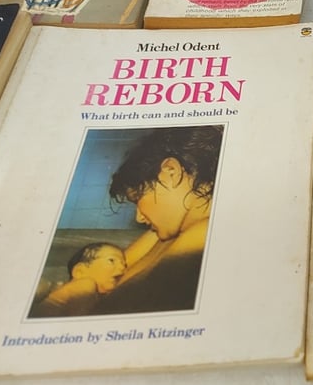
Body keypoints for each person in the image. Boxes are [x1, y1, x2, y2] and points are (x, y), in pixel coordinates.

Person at [91, 125, 224, 315]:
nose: (139, 217)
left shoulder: (204, 233)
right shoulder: (170, 231)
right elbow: (99, 277)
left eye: (138, 198)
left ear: (171, 172)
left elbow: (110, 308)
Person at [30, 242, 127, 317]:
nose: (122, 268)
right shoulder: (85, 284)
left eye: (125, 265)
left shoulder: (100, 297)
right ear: (80, 271)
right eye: (112, 260)